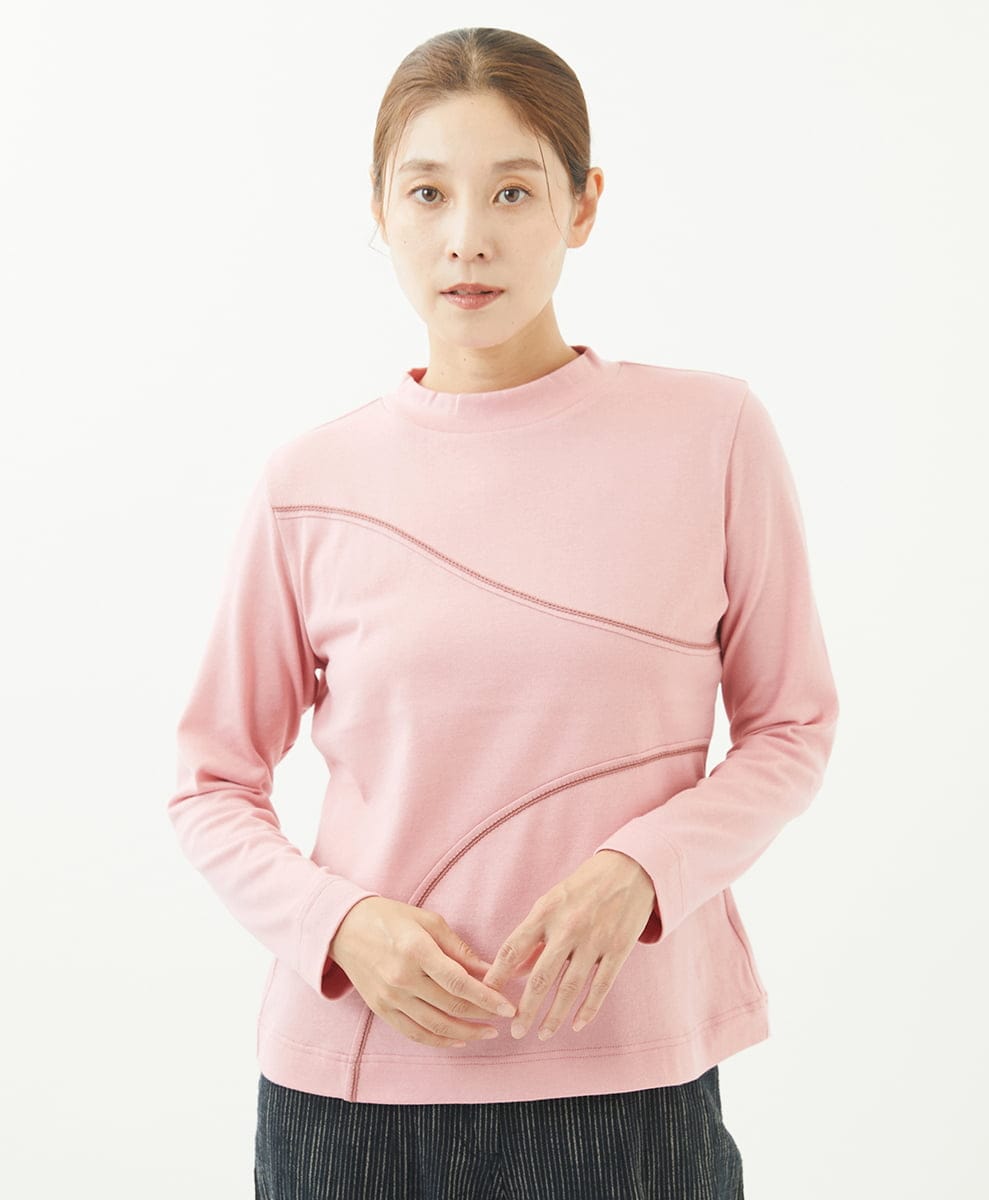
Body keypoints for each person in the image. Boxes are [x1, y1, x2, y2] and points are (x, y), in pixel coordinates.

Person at [167, 25, 839, 1200]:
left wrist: (645, 871)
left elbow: (792, 727)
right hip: (353, 1098)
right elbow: (209, 783)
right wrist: (341, 925)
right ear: (379, 211)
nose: (466, 236)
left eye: (513, 191)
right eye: (427, 192)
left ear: (583, 205)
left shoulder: (712, 437)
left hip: (629, 1082)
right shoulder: (308, 483)